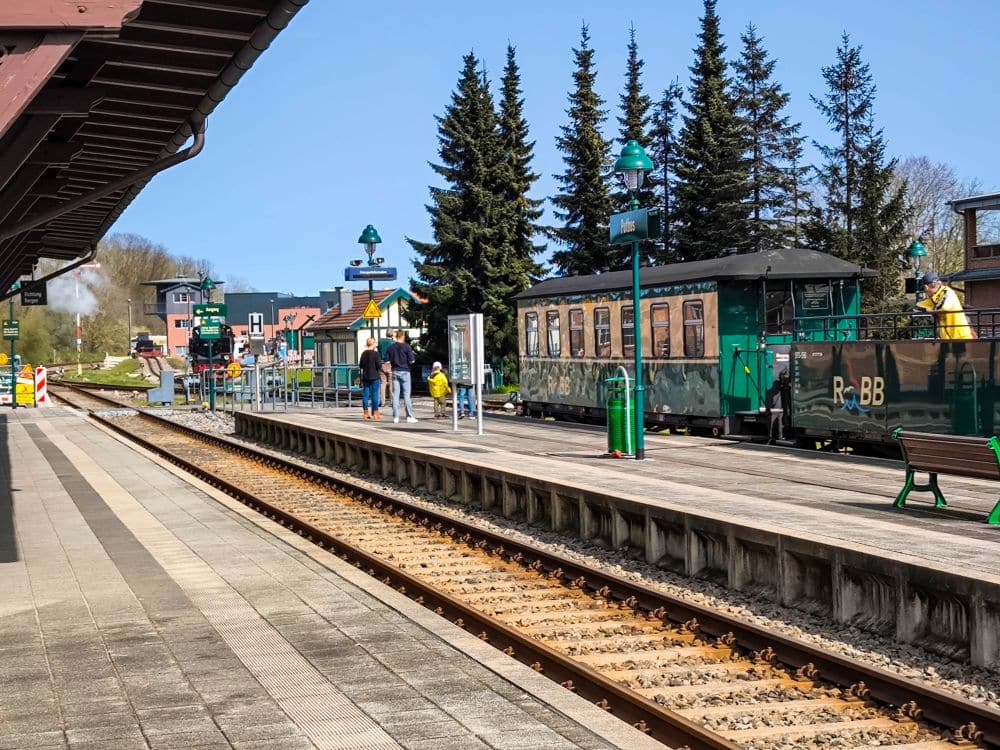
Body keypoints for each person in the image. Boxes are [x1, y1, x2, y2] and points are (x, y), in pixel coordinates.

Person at [916, 272, 974, 341]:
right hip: (949, 340)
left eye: (924, 290)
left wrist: (931, 311)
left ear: (926, 287)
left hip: (961, 338)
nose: (925, 293)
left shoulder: (947, 293)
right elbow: (921, 305)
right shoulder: (936, 296)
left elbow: (945, 307)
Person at [386, 330, 417, 423]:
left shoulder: (391, 347)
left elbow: (387, 360)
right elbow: (412, 361)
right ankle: (409, 416)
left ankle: (396, 417)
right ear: (402, 336)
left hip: (395, 371)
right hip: (405, 372)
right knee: (406, 395)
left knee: (396, 395)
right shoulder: (407, 347)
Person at [358, 337, 383, 421]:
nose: (376, 344)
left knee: (365, 394)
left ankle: (365, 413)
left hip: (366, 376)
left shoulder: (363, 353)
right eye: (375, 342)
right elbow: (379, 365)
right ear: (373, 344)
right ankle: (375, 413)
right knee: (375, 395)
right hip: (375, 376)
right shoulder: (376, 354)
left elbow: (360, 365)